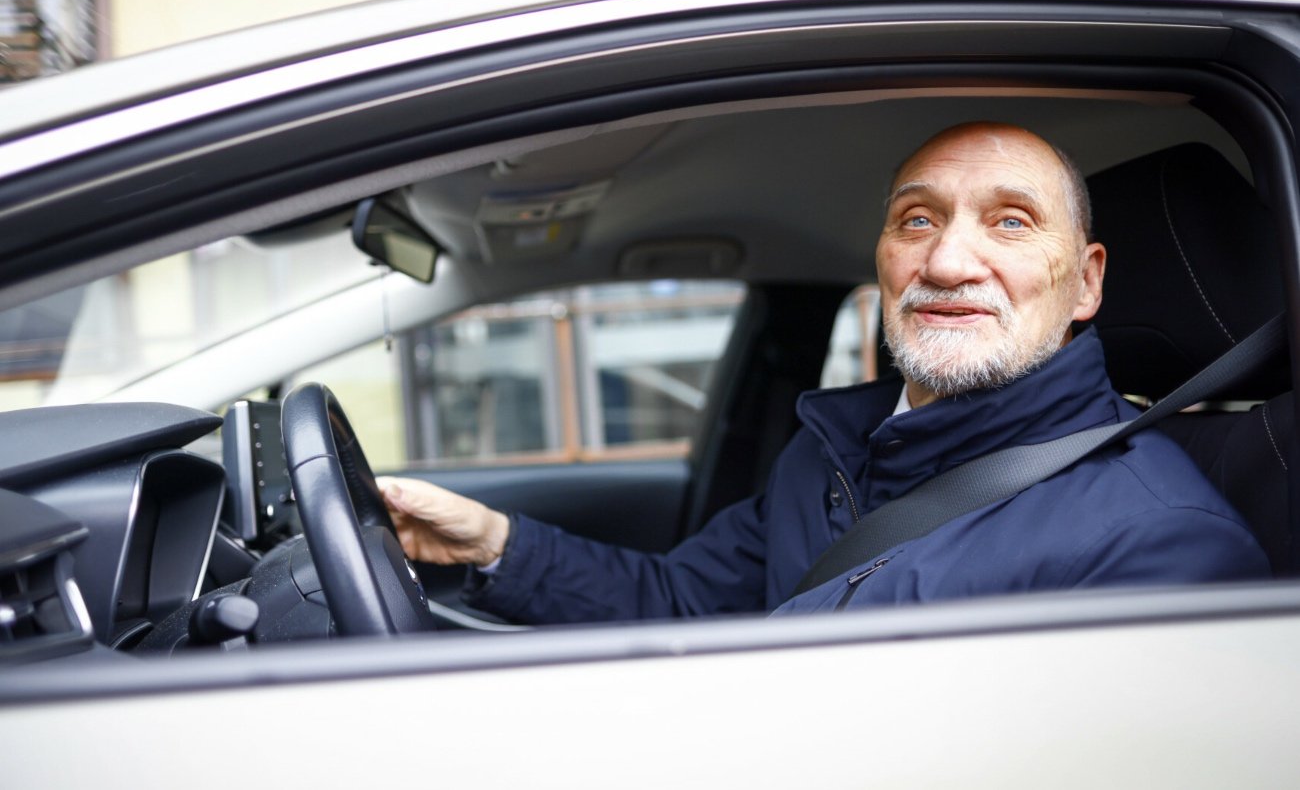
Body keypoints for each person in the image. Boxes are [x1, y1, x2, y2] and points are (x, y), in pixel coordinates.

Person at [379, 122, 1270, 621]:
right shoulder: (834, 453)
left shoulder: (1161, 547)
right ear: (883, 258)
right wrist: (491, 543)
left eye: (1009, 223)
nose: (951, 261)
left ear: (1085, 281)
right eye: (917, 220)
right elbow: (684, 600)